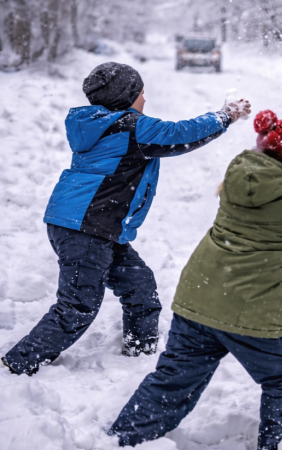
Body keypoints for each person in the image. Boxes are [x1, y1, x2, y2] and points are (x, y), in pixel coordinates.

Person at [108, 110, 282, 450]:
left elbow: (279, 170)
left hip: (198, 299)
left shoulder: (241, 174)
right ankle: (279, 444)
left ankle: (123, 439)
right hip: (247, 313)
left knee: (172, 381)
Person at [1, 62, 251, 376]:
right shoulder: (130, 127)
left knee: (140, 287)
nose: (145, 100)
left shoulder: (96, 124)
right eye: (141, 94)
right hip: (88, 228)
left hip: (89, 226)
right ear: (126, 97)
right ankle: (18, 364)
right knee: (77, 307)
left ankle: (140, 354)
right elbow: (180, 134)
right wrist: (225, 114)